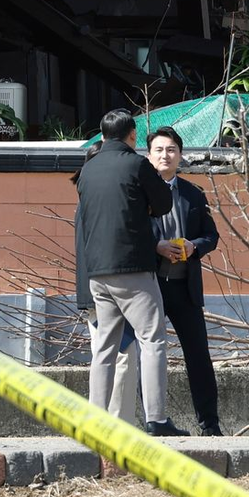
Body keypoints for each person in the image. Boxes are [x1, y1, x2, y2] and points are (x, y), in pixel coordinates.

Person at [75, 109, 186, 437]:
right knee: (152, 338)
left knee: (105, 346)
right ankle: (157, 418)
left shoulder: (88, 169)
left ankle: (95, 417)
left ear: (102, 132)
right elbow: (164, 203)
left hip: (97, 271)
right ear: (133, 136)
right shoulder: (137, 164)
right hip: (133, 267)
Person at [147, 126, 223, 436]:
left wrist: (194, 247)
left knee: (199, 356)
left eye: (171, 150)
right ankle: (152, 420)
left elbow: (212, 235)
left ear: (180, 155)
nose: (165, 155)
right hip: (149, 285)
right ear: (149, 156)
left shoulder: (194, 193)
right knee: (149, 353)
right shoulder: (137, 191)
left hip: (185, 286)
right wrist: (156, 246)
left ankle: (210, 425)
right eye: (159, 150)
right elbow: (131, 233)